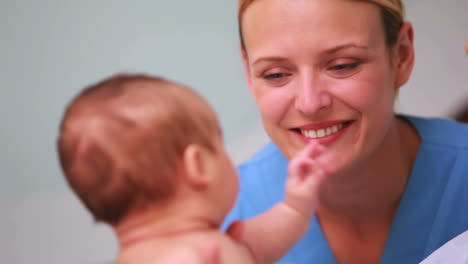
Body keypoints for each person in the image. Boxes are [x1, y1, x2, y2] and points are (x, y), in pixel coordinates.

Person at [222, 0, 468, 263]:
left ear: (401, 55)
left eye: (342, 65)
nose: (310, 103)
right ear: (248, 72)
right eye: (275, 74)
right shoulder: (218, 221)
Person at [56, 74, 329, 264]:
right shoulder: (189, 257)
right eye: (217, 144)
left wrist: (296, 204)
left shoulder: (220, 243)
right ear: (197, 165)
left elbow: (270, 237)